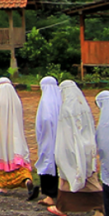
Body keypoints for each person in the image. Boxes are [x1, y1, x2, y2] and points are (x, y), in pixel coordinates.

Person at [48, 81, 104, 216]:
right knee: (90, 179)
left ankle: (62, 207)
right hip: (87, 147)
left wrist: (62, 151)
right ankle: (100, 210)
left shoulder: (66, 109)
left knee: (67, 175)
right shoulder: (84, 107)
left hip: (72, 148)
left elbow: (66, 133)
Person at [0, 80, 38, 199]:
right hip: (15, 136)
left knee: (2, 158)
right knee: (18, 159)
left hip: (1, 137)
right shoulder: (16, 100)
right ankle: (26, 179)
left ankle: (3, 187)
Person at [35, 76, 61, 207]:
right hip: (60, 138)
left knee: (47, 163)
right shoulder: (60, 98)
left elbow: (45, 120)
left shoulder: (45, 100)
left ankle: (49, 195)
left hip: (48, 137)